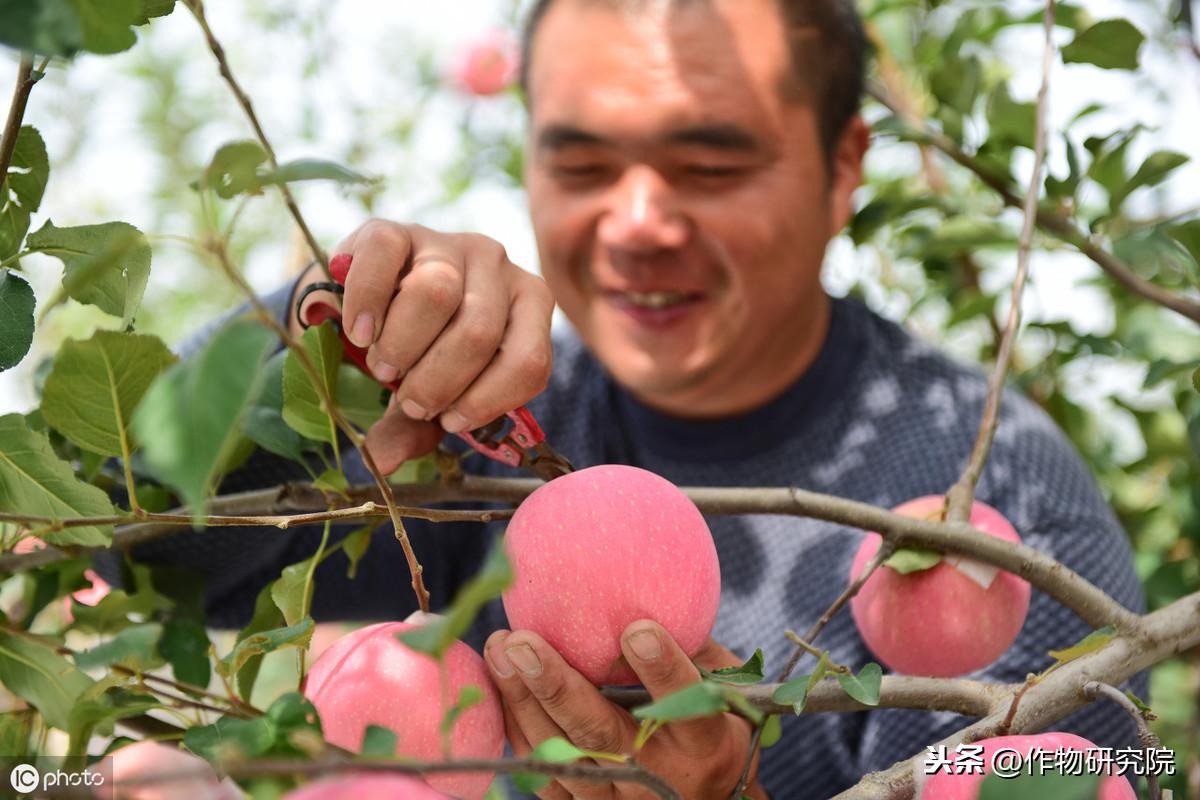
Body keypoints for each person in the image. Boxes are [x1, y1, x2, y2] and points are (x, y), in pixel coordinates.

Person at [119, 0, 1148, 797]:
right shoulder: (488, 430)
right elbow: (143, 559)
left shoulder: (1001, 513)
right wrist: (307, 349)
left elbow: (1091, 773)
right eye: (582, 163)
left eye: (708, 162)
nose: (637, 221)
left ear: (843, 171)